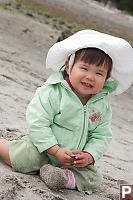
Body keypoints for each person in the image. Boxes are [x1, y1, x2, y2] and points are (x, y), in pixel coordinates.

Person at [0, 29, 133, 194]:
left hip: (72, 160)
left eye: (99, 73)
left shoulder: (102, 105)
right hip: (44, 149)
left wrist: (89, 155)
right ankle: (2, 145)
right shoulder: (53, 92)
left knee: (93, 178)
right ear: (69, 66)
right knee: (25, 158)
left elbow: (101, 135)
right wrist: (55, 150)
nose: (90, 77)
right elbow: (37, 122)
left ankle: (61, 177)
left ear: (107, 78)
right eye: (84, 68)